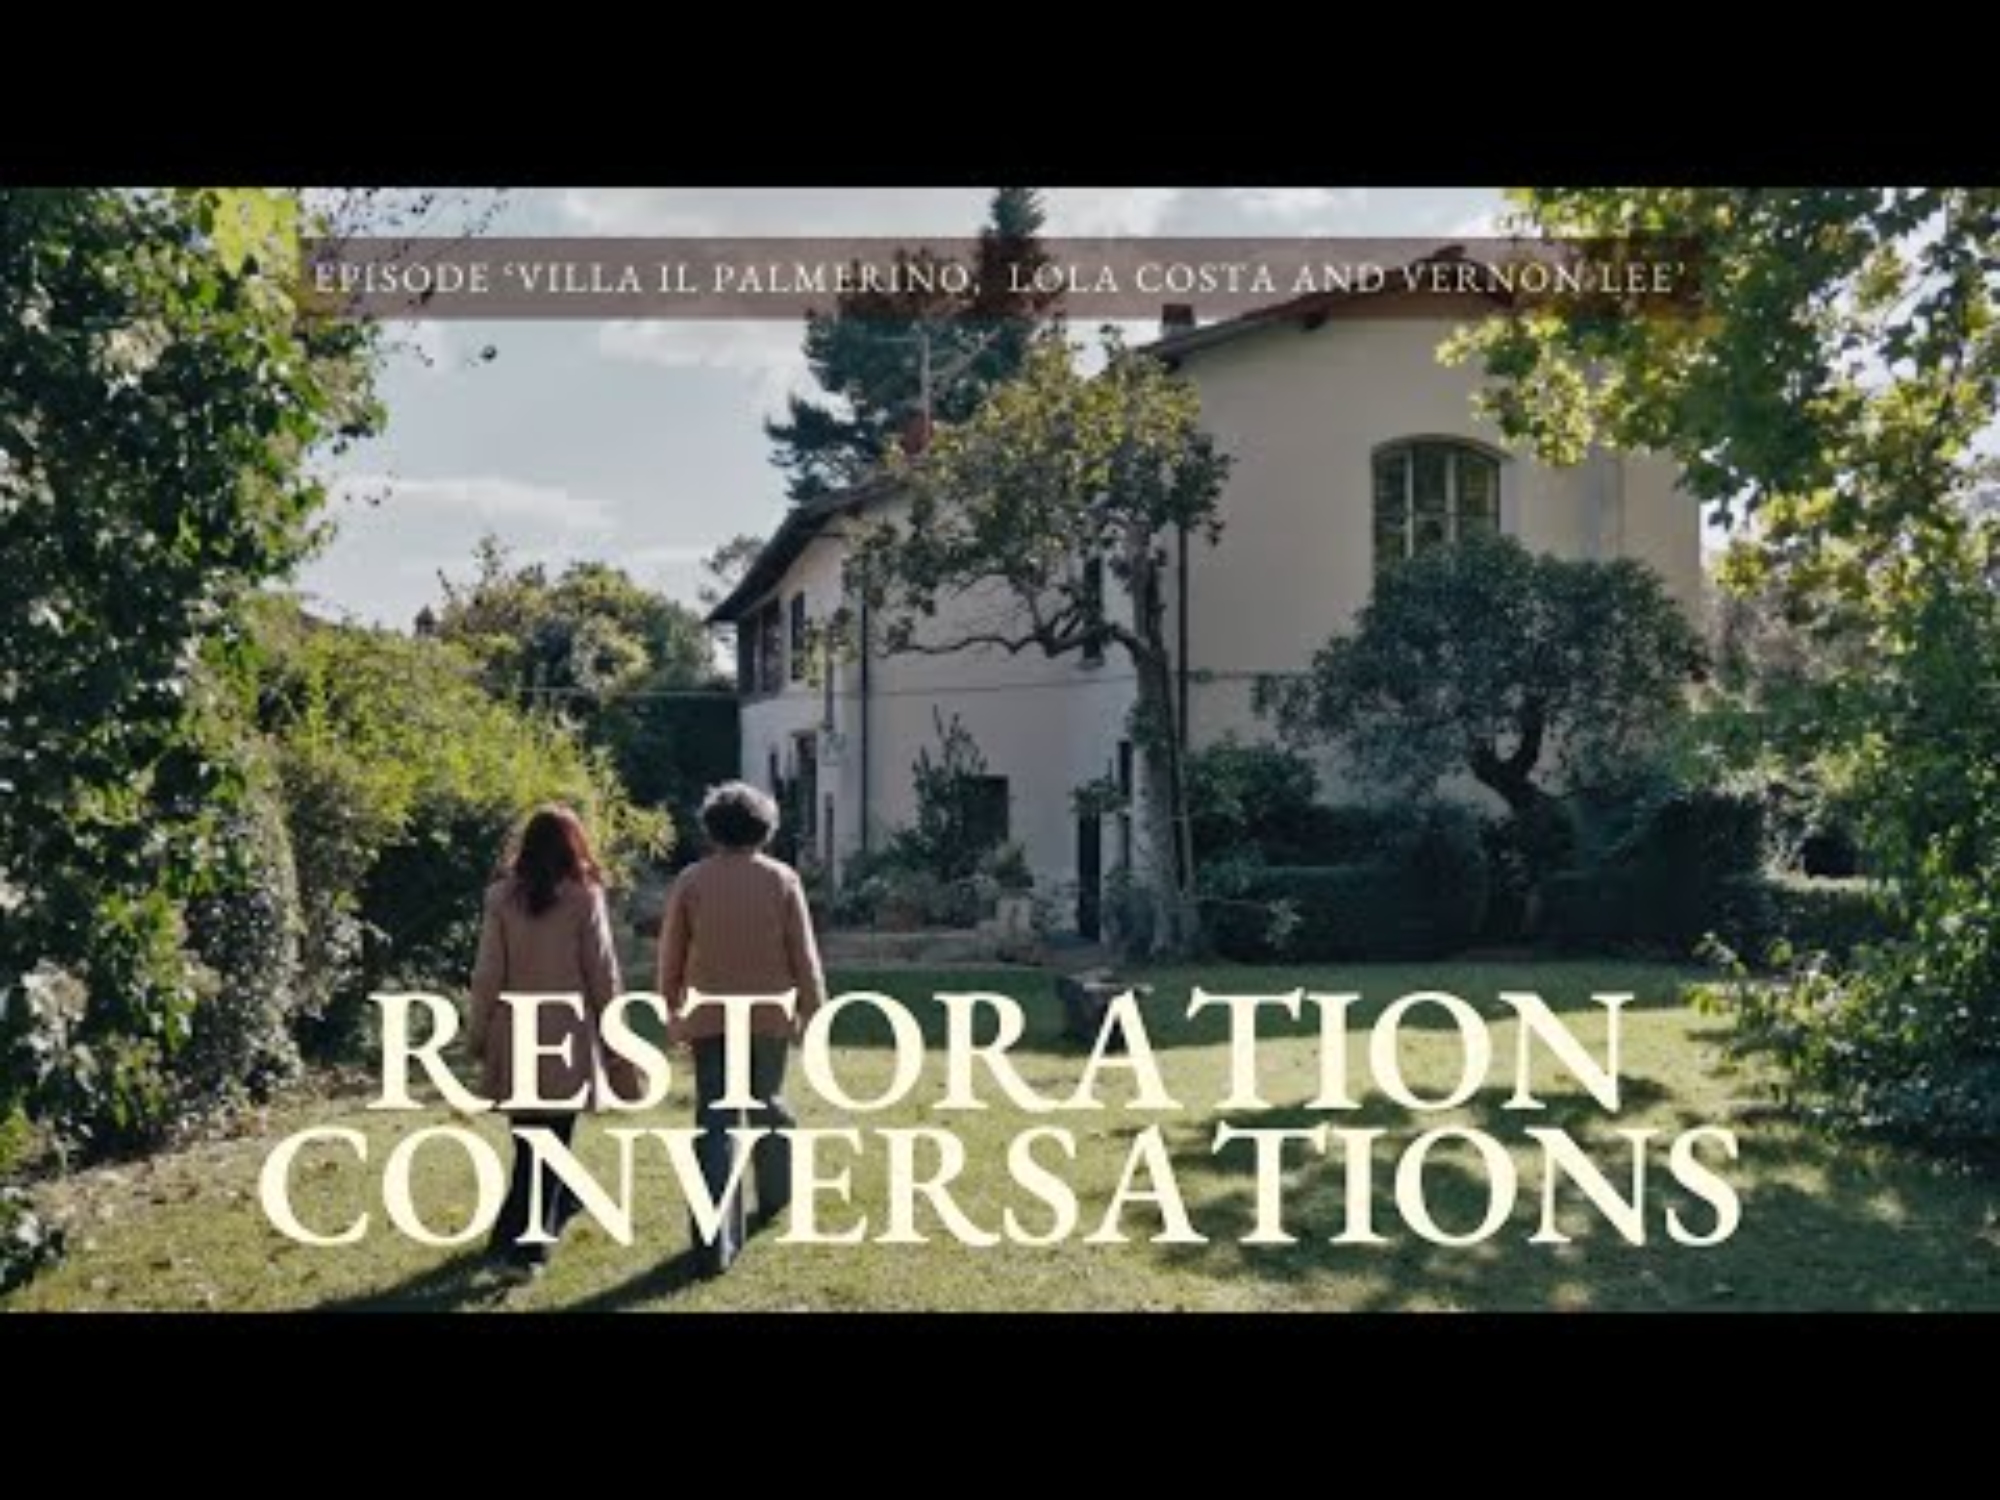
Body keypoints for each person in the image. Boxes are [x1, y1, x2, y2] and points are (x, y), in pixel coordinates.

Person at [656, 780, 827, 1276]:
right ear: (764, 829)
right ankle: (776, 1193)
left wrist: (671, 1008)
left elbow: (671, 953)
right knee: (767, 1101)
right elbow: (803, 954)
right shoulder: (782, 879)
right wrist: (814, 1009)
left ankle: (714, 1242)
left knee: (716, 1121)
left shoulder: (691, 880)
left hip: (709, 1017)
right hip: (769, 1016)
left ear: (712, 828)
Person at [468, 804, 631, 1279]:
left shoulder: (500, 898)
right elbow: (602, 973)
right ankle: (527, 1249)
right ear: (574, 845)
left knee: (529, 1144)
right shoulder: (585, 898)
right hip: (567, 1034)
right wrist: (615, 1034)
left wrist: (478, 1033)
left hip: (516, 1030)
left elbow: (487, 973)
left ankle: (521, 1235)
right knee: (551, 1142)